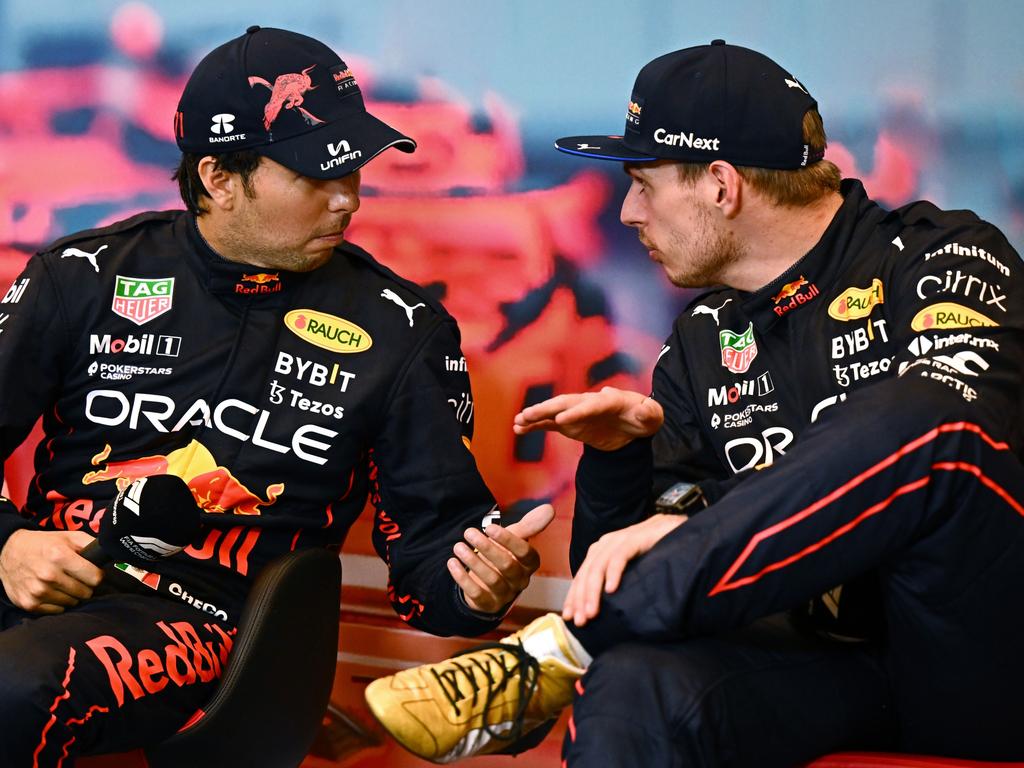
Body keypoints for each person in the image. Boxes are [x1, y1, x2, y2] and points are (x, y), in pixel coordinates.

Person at [365, 40, 1024, 766]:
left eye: (643, 182)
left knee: (934, 415)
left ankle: (557, 653)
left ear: (720, 185)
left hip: (978, 664)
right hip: (827, 670)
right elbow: (618, 581)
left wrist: (695, 527)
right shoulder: (704, 339)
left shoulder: (945, 257)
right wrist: (620, 462)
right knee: (632, 679)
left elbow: (952, 430)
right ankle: (568, 657)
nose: (625, 212)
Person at [0, 26, 553, 765]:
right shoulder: (82, 276)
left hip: (200, 623)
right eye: (318, 177)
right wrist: (8, 544)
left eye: (353, 170)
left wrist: (479, 588)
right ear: (219, 178)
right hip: (40, 575)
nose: (349, 200)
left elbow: (431, 565)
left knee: (11, 686)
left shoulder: (402, 330)